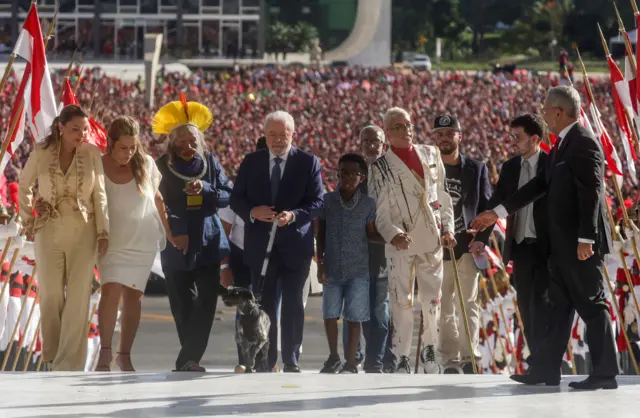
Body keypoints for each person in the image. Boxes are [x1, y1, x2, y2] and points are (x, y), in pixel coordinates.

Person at [471, 86, 618, 390]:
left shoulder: (583, 143)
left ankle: (605, 374)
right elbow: (538, 185)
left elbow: (592, 193)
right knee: (559, 310)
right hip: (562, 248)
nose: (544, 115)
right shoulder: (562, 146)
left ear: (560, 112)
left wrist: (587, 239)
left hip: (580, 246)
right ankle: (545, 370)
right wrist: (496, 212)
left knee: (592, 306)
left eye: (547, 110)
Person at [230, 110, 324, 372]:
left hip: (295, 246)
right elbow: (236, 199)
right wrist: (253, 212)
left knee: (294, 306)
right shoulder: (251, 162)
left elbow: (317, 202)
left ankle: (291, 360)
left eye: (283, 134)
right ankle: (265, 360)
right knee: (265, 307)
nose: (278, 140)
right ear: (264, 135)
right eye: (272, 134)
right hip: (260, 248)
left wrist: (294, 215)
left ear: (293, 134)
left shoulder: (308, 162)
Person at [18, 104, 109, 371]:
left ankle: (69, 363)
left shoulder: (93, 153)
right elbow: (24, 185)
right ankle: (51, 357)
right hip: (49, 229)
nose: (80, 134)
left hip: (85, 230)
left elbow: (100, 194)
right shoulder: (41, 151)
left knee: (79, 297)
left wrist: (104, 232)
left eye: (84, 129)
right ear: (61, 126)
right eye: (74, 129)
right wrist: (29, 219)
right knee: (50, 295)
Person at [370, 107, 456, 374]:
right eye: (397, 127)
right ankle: (403, 356)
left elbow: (442, 197)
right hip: (400, 243)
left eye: (408, 124)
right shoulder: (380, 167)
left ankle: (430, 353)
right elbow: (380, 213)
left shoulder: (431, 154)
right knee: (401, 303)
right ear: (386, 133)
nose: (405, 130)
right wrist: (393, 234)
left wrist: (448, 229)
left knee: (432, 301)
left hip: (431, 241)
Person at [153, 97, 233, 372]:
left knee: (207, 299)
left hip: (208, 240)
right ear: (171, 143)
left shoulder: (210, 162)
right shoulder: (160, 166)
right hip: (174, 242)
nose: (187, 147)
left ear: (199, 142)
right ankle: (190, 358)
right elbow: (156, 203)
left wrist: (207, 190)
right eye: (180, 142)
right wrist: (178, 232)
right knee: (181, 303)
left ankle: (188, 358)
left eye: (191, 142)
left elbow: (227, 196)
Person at [96, 116, 170, 372]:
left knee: (134, 297)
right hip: (111, 240)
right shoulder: (97, 163)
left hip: (142, 240)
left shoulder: (146, 163)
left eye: (132, 147)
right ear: (110, 143)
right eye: (123, 147)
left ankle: (124, 355)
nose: (128, 153)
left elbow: (158, 199)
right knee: (110, 290)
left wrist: (170, 234)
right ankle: (104, 354)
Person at [486, 114, 552, 367]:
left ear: (534, 139)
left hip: (547, 249)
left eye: (518, 137)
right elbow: (497, 203)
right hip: (522, 248)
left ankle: (548, 360)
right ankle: (537, 360)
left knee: (543, 305)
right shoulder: (510, 168)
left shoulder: (550, 165)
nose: (512, 142)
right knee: (525, 305)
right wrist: (480, 232)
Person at [432, 115, 492, 374]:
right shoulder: (428, 168)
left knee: (468, 303)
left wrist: (481, 240)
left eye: (449, 132)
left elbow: (487, 208)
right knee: (443, 305)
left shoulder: (476, 168)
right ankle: (450, 361)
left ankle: (470, 357)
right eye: (439, 133)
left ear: (459, 135)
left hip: (467, 246)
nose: (444, 137)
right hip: (437, 248)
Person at [317, 153, 382, 373]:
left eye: (353, 174)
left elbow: (371, 232)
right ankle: (333, 356)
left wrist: (391, 238)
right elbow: (321, 233)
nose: (347, 177)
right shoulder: (328, 201)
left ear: (361, 177)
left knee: (354, 317)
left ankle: (351, 361)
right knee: (330, 314)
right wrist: (320, 263)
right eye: (343, 172)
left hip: (358, 269)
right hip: (333, 267)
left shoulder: (368, 204)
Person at [219, 136, 268, 372]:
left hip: (270, 257)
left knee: (268, 308)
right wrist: (224, 267)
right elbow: (224, 233)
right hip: (241, 256)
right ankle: (245, 360)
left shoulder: (286, 190)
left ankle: (268, 360)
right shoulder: (239, 191)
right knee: (244, 309)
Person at [348, 125, 392, 373]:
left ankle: (379, 359)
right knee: (360, 306)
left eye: (375, 140)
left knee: (380, 307)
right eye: (366, 140)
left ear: (383, 144)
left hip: (385, 249)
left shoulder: (392, 171)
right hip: (359, 250)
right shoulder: (352, 172)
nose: (371, 145)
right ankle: (360, 357)